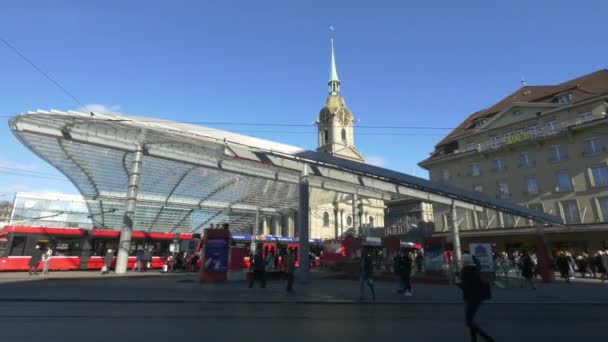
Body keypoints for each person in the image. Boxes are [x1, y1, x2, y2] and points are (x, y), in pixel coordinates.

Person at [460, 254, 494, 342]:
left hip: (471, 298)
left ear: (464, 262)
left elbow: (466, 286)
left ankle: (487, 338)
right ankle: (474, 340)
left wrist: (458, 283)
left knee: (469, 322)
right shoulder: (475, 269)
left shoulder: (465, 271)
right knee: (471, 321)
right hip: (478, 298)